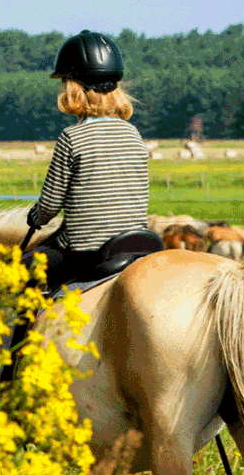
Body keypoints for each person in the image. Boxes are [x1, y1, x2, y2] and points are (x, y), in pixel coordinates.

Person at [22, 30, 150, 292]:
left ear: (74, 87)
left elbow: (49, 206)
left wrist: (35, 217)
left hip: (88, 250)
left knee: (11, 280)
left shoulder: (72, 137)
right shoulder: (133, 133)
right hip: (138, 243)